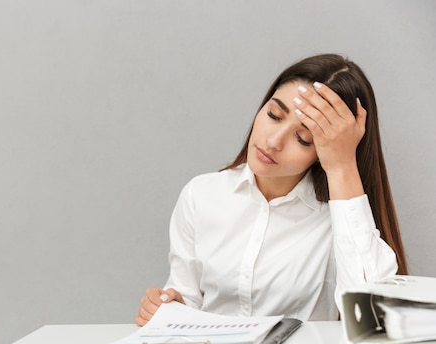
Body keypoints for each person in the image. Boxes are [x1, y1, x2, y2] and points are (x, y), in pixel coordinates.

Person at [135, 53, 407, 325]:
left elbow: (374, 320)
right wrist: (170, 309)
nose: (274, 141)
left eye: (303, 139)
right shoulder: (201, 195)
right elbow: (187, 299)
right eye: (274, 115)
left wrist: (343, 167)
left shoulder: (339, 218)